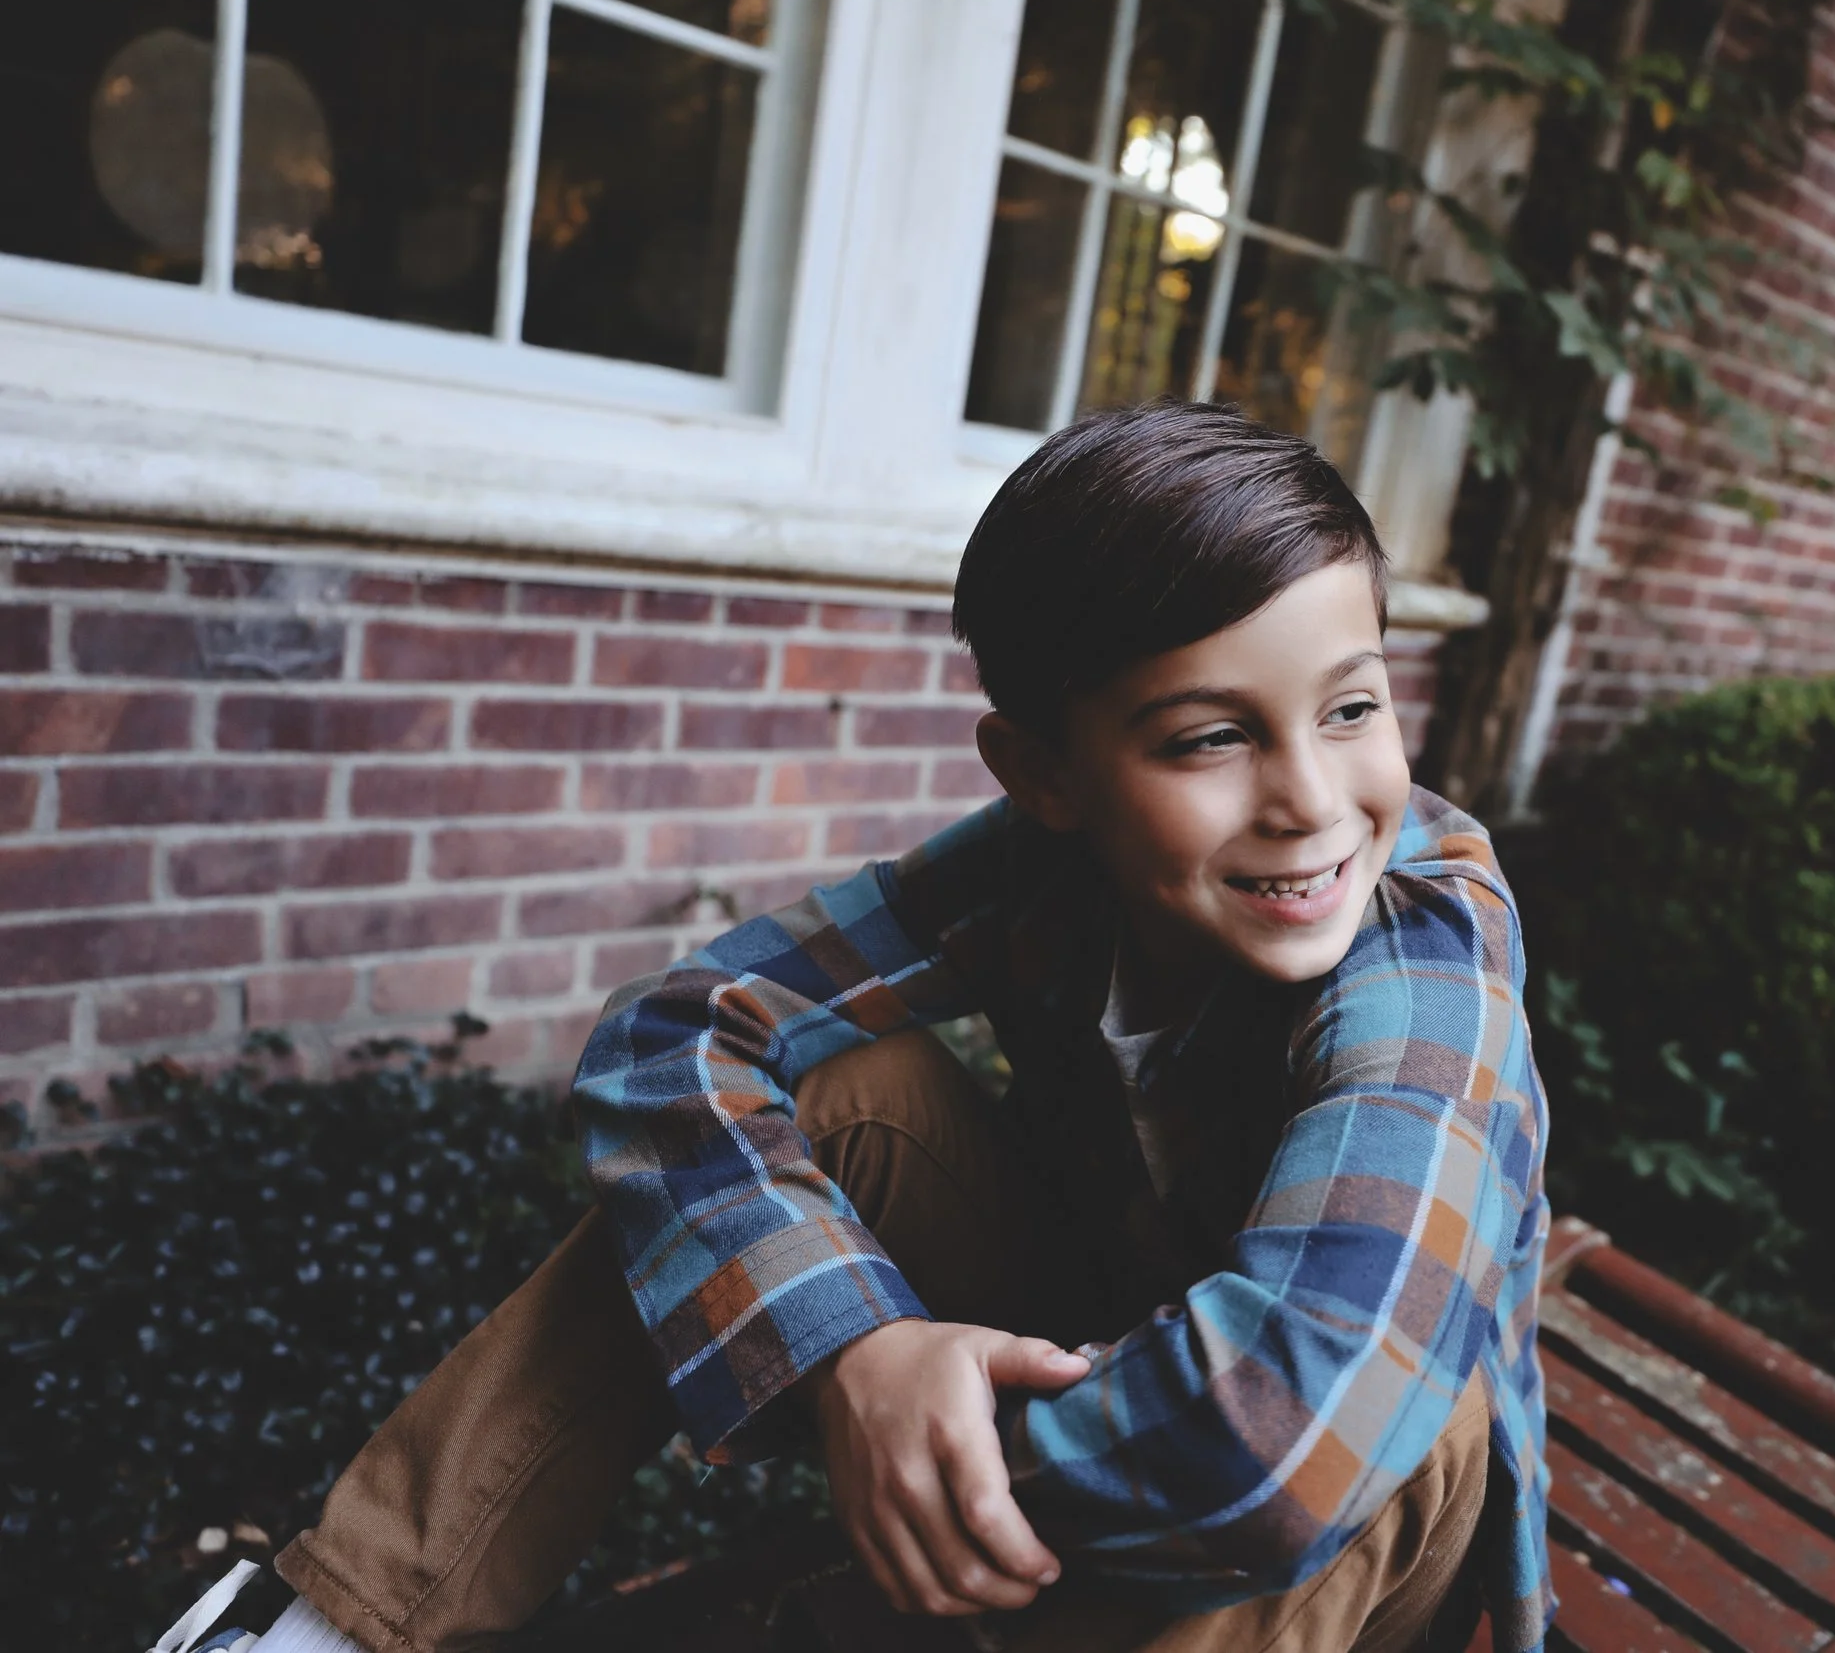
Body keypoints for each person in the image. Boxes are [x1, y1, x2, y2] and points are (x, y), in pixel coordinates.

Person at [161, 402, 1554, 1653]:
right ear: (1044, 773)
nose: (1312, 798)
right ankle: (325, 1634)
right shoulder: (1037, 863)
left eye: (1353, 706)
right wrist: (853, 1353)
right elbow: (677, 1033)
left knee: (1402, 1422)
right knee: (858, 1086)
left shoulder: (1421, 956)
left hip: (1331, 1567)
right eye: (1208, 736)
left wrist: (915, 1431)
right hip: (1107, 1360)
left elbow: (1271, 1452)